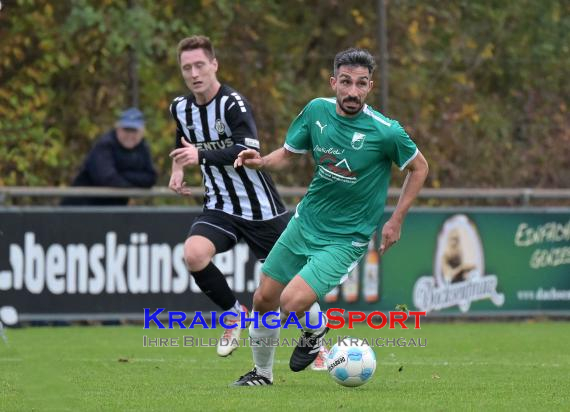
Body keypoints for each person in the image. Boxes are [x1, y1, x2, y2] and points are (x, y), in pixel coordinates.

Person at [232, 48, 429, 386]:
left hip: (345, 237)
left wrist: (396, 219)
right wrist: (261, 161)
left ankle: (315, 329)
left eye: (361, 84)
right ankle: (262, 375)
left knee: (291, 301)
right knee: (263, 299)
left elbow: (420, 167)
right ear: (333, 82)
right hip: (305, 222)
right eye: (347, 82)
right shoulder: (316, 111)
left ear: (370, 87)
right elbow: (289, 153)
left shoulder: (386, 131)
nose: (353, 91)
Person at [168, 36, 290, 357]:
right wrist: (178, 170)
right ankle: (235, 314)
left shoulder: (233, 104)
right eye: (187, 68)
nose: (194, 73)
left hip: (260, 208)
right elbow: (183, 146)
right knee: (194, 254)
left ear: (214, 65)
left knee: (289, 287)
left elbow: (247, 149)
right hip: (220, 205)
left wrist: (201, 156)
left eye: (199, 65)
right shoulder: (180, 108)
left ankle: (315, 341)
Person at [61, 107, 157, 206]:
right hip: (80, 209)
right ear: (117, 129)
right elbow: (107, 180)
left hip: (113, 210)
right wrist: (133, 185)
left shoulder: (142, 147)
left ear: (142, 132)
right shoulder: (105, 145)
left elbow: (150, 178)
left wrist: (122, 175)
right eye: (126, 130)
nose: (130, 135)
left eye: (134, 131)